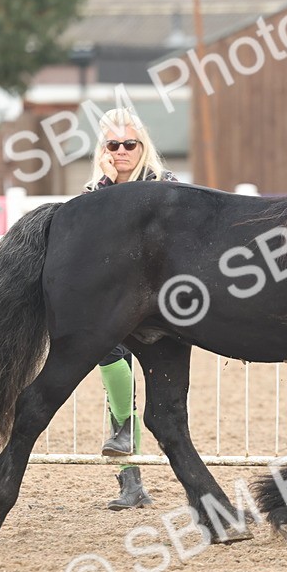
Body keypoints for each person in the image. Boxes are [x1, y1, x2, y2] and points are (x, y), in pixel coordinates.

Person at [84, 107, 177, 510]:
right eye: (112, 145)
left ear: (144, 147)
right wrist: (105, 181)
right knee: (112, 370)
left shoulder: (164, 184)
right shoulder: (94, 191)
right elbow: (89, 236)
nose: (121, 151)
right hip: (116, 302)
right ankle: (131, 479)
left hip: (160, 303)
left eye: (129, 144)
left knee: (165, 397)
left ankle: (130, 451)